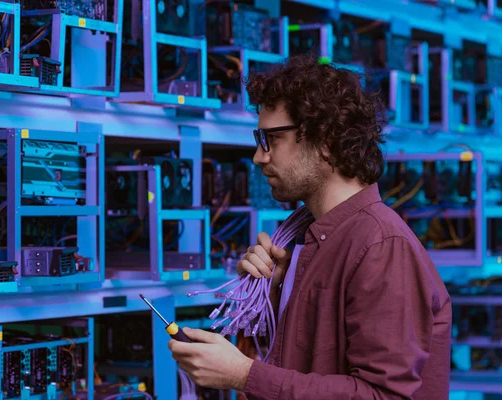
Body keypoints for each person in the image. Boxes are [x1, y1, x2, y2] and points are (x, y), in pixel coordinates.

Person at [168, 55, 452, 399]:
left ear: (326, 141)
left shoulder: (380, 245)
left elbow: (382, 395)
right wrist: (269, 299)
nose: (259, 157)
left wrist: (245, 375)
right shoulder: (306, 241)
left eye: (270, 138)